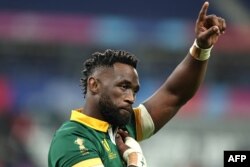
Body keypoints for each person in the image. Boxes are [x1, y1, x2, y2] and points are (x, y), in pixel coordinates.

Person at [48, 1, 226, 167]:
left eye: (134, 91)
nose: (131, 98)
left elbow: (175, 95)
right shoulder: (72, 139)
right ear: (94, 85)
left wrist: (202, 48)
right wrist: (135, 160)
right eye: (124, 87)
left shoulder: (122, 128)